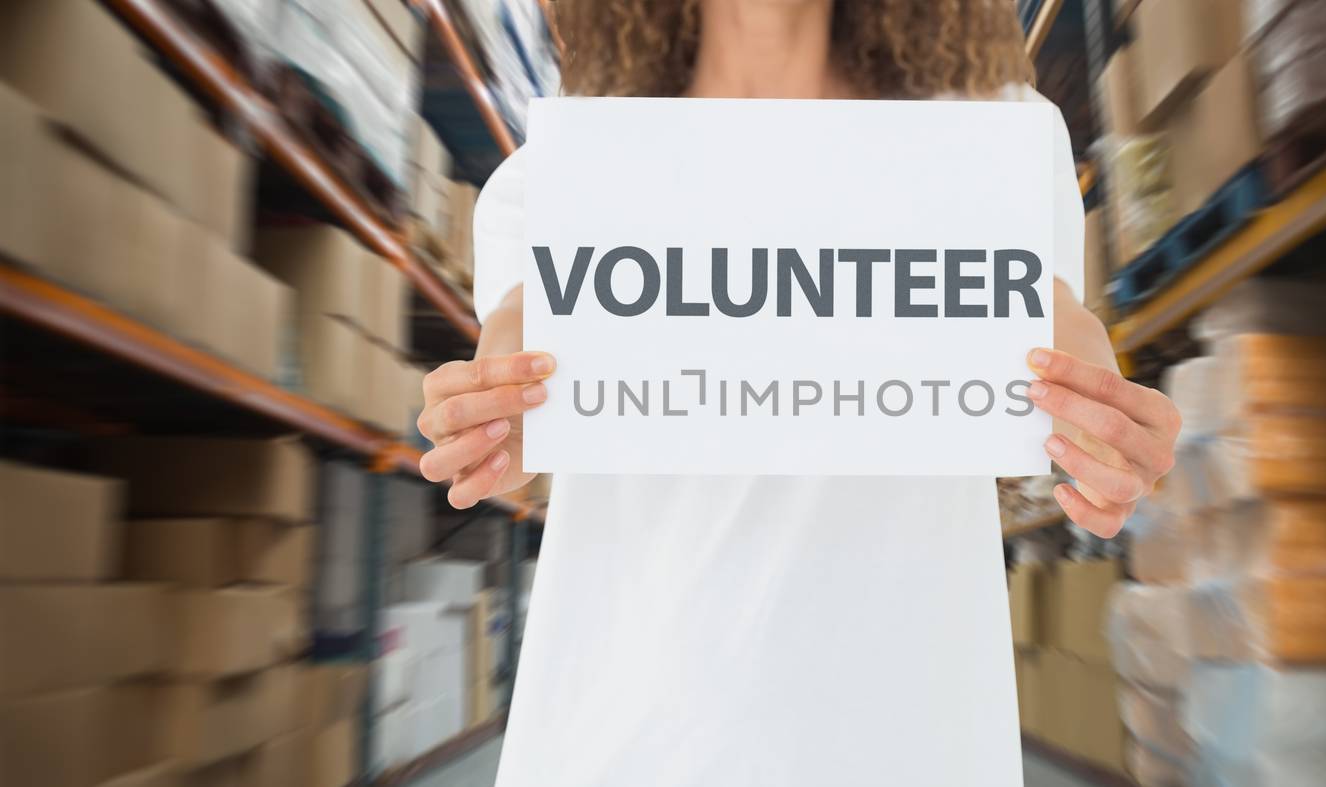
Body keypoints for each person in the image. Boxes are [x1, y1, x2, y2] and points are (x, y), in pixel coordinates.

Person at [415, 1, 1180, 784]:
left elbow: (1051, 334)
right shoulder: (571, 162)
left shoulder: (993, 134)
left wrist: (1102, 427)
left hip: (900, 738)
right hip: (631, 737)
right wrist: (491, 432)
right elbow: (518, 391)